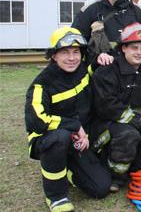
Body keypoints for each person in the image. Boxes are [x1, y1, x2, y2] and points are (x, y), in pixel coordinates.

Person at [25, 27, 111, 212]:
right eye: (65, 52)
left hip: (79, 139)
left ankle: (68, 168)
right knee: (59, 138)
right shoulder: (42, 84)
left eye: (76, 52)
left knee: (101, 188)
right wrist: (74, 126)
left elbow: (89, 71)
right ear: (54, 55)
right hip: (49, 139)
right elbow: (36, 121)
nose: (72, 58)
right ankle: (56, 196)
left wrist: (98, 61)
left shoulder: (81, 71)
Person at [90, 23, 141, 192]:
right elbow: (106, 105)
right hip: (107, 125)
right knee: (128, 135)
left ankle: (125, 163)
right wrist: (137, 121)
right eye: (134, 48)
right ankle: (115, 176)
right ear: (123, 48)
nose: (139, 52)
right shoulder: (107, 71)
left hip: (136, 124)